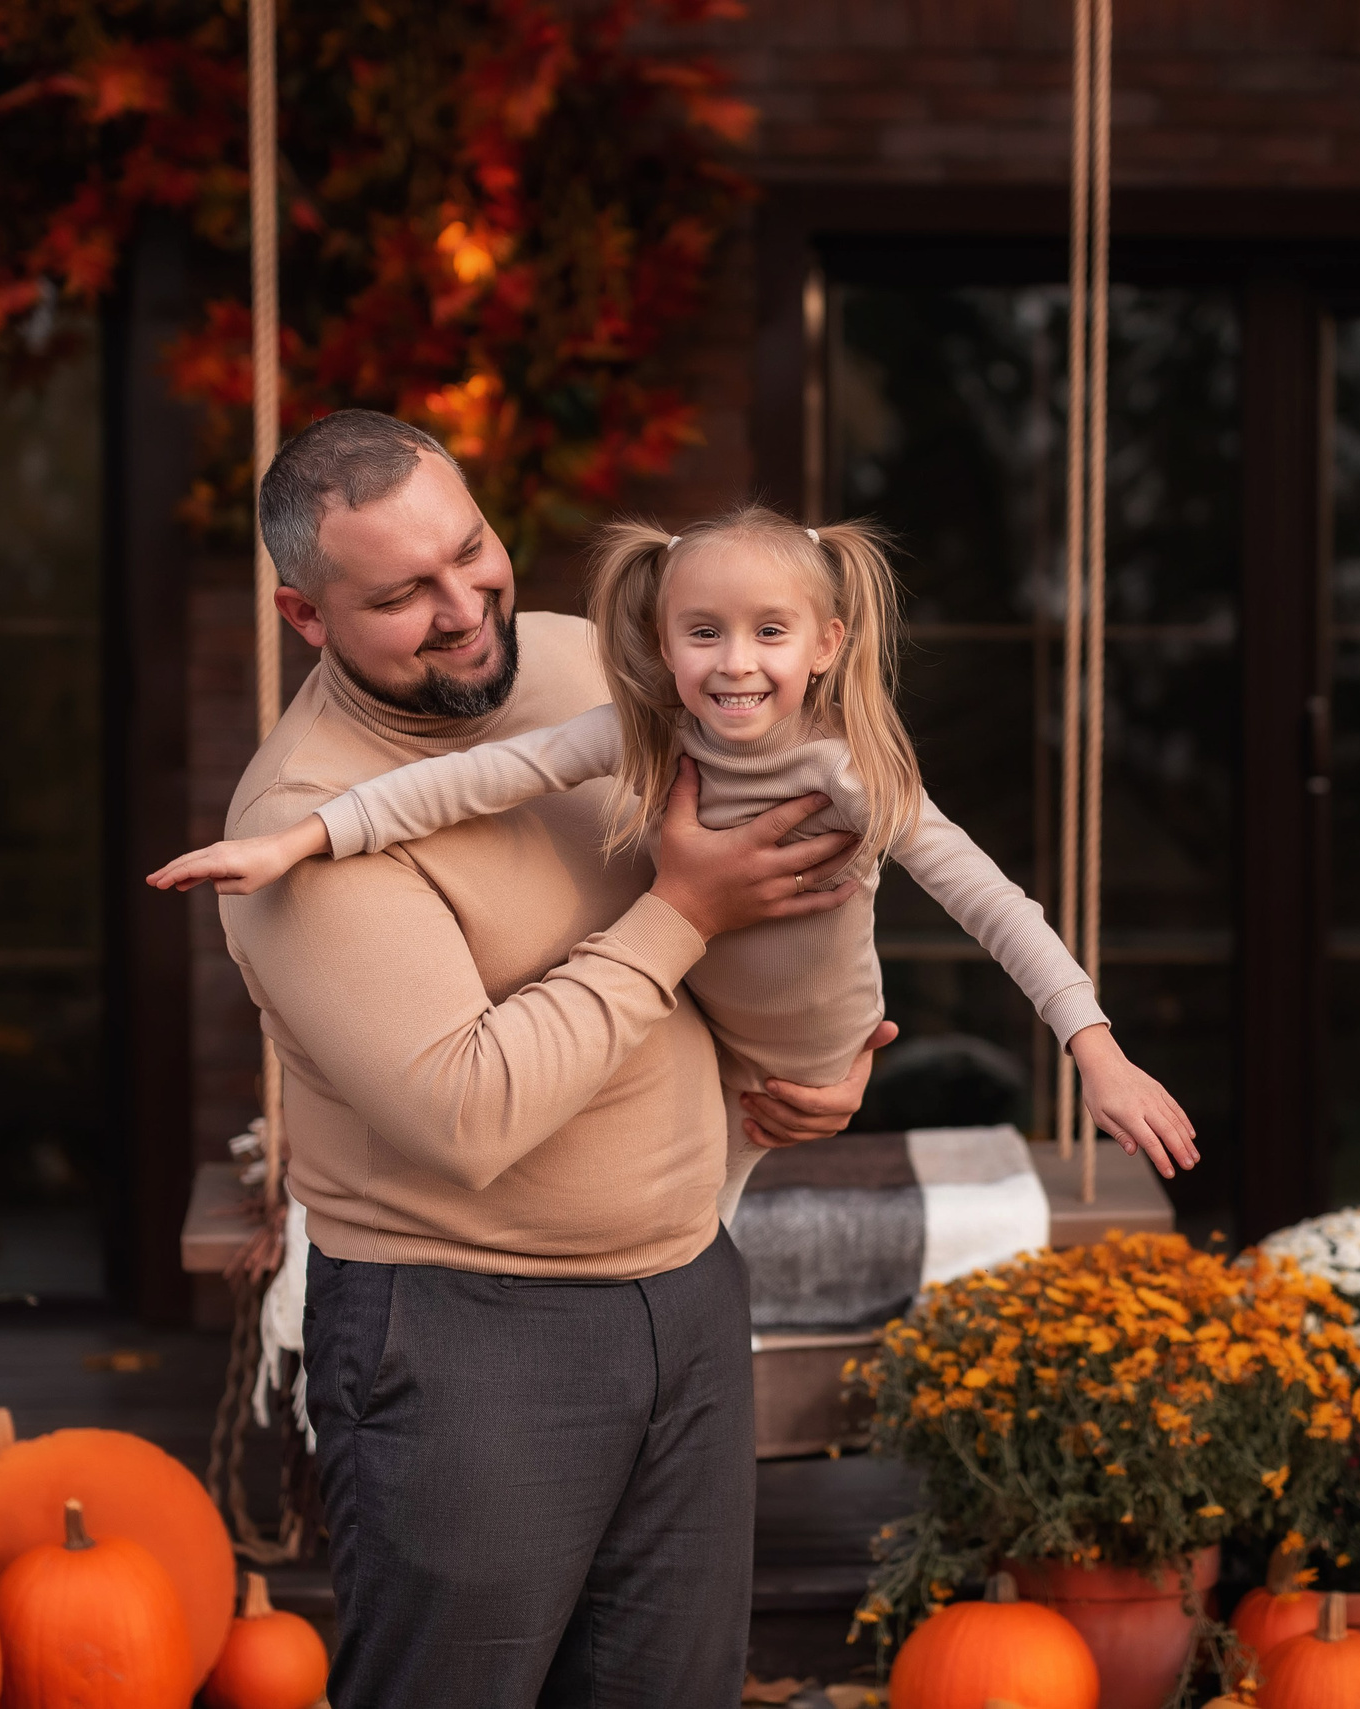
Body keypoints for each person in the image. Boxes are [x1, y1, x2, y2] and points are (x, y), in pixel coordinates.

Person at [198, 410, 894, 1709]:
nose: (464, 607)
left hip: (687, 1289)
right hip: (465, 1331)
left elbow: (756, 903)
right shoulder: (301, 825)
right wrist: (683, 905)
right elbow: (468, 1111)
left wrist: (817, 1063)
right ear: (307, 616)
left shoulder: (589, 663)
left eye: (472, 551)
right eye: (403, 593)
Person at [154, 505, 1202, 1222]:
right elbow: (470, 779)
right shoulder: (644, 730)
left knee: (712, 1241)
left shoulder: (849, 774)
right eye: (703, 632)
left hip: (801, 1048)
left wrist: (1095, 1051)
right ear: (661, 639)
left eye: (770, 632)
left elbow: (994, 904)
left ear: (828, 643)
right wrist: (296, 837)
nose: (735, 661)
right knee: (692, 1256)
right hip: (706, 1034)